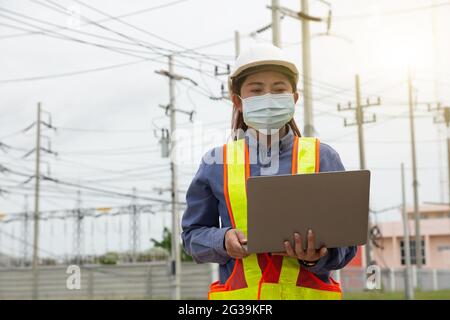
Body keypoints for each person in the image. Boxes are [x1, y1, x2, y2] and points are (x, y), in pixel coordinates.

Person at [181, 43, 356, 300]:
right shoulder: (215, 163)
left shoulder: (323, 157)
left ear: (294, 99)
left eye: (278, 89)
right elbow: (192, 237)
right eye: (256, 90)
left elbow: (346, 244)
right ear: (238, 102)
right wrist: (222, 239)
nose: (268, 98)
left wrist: (316, 257)